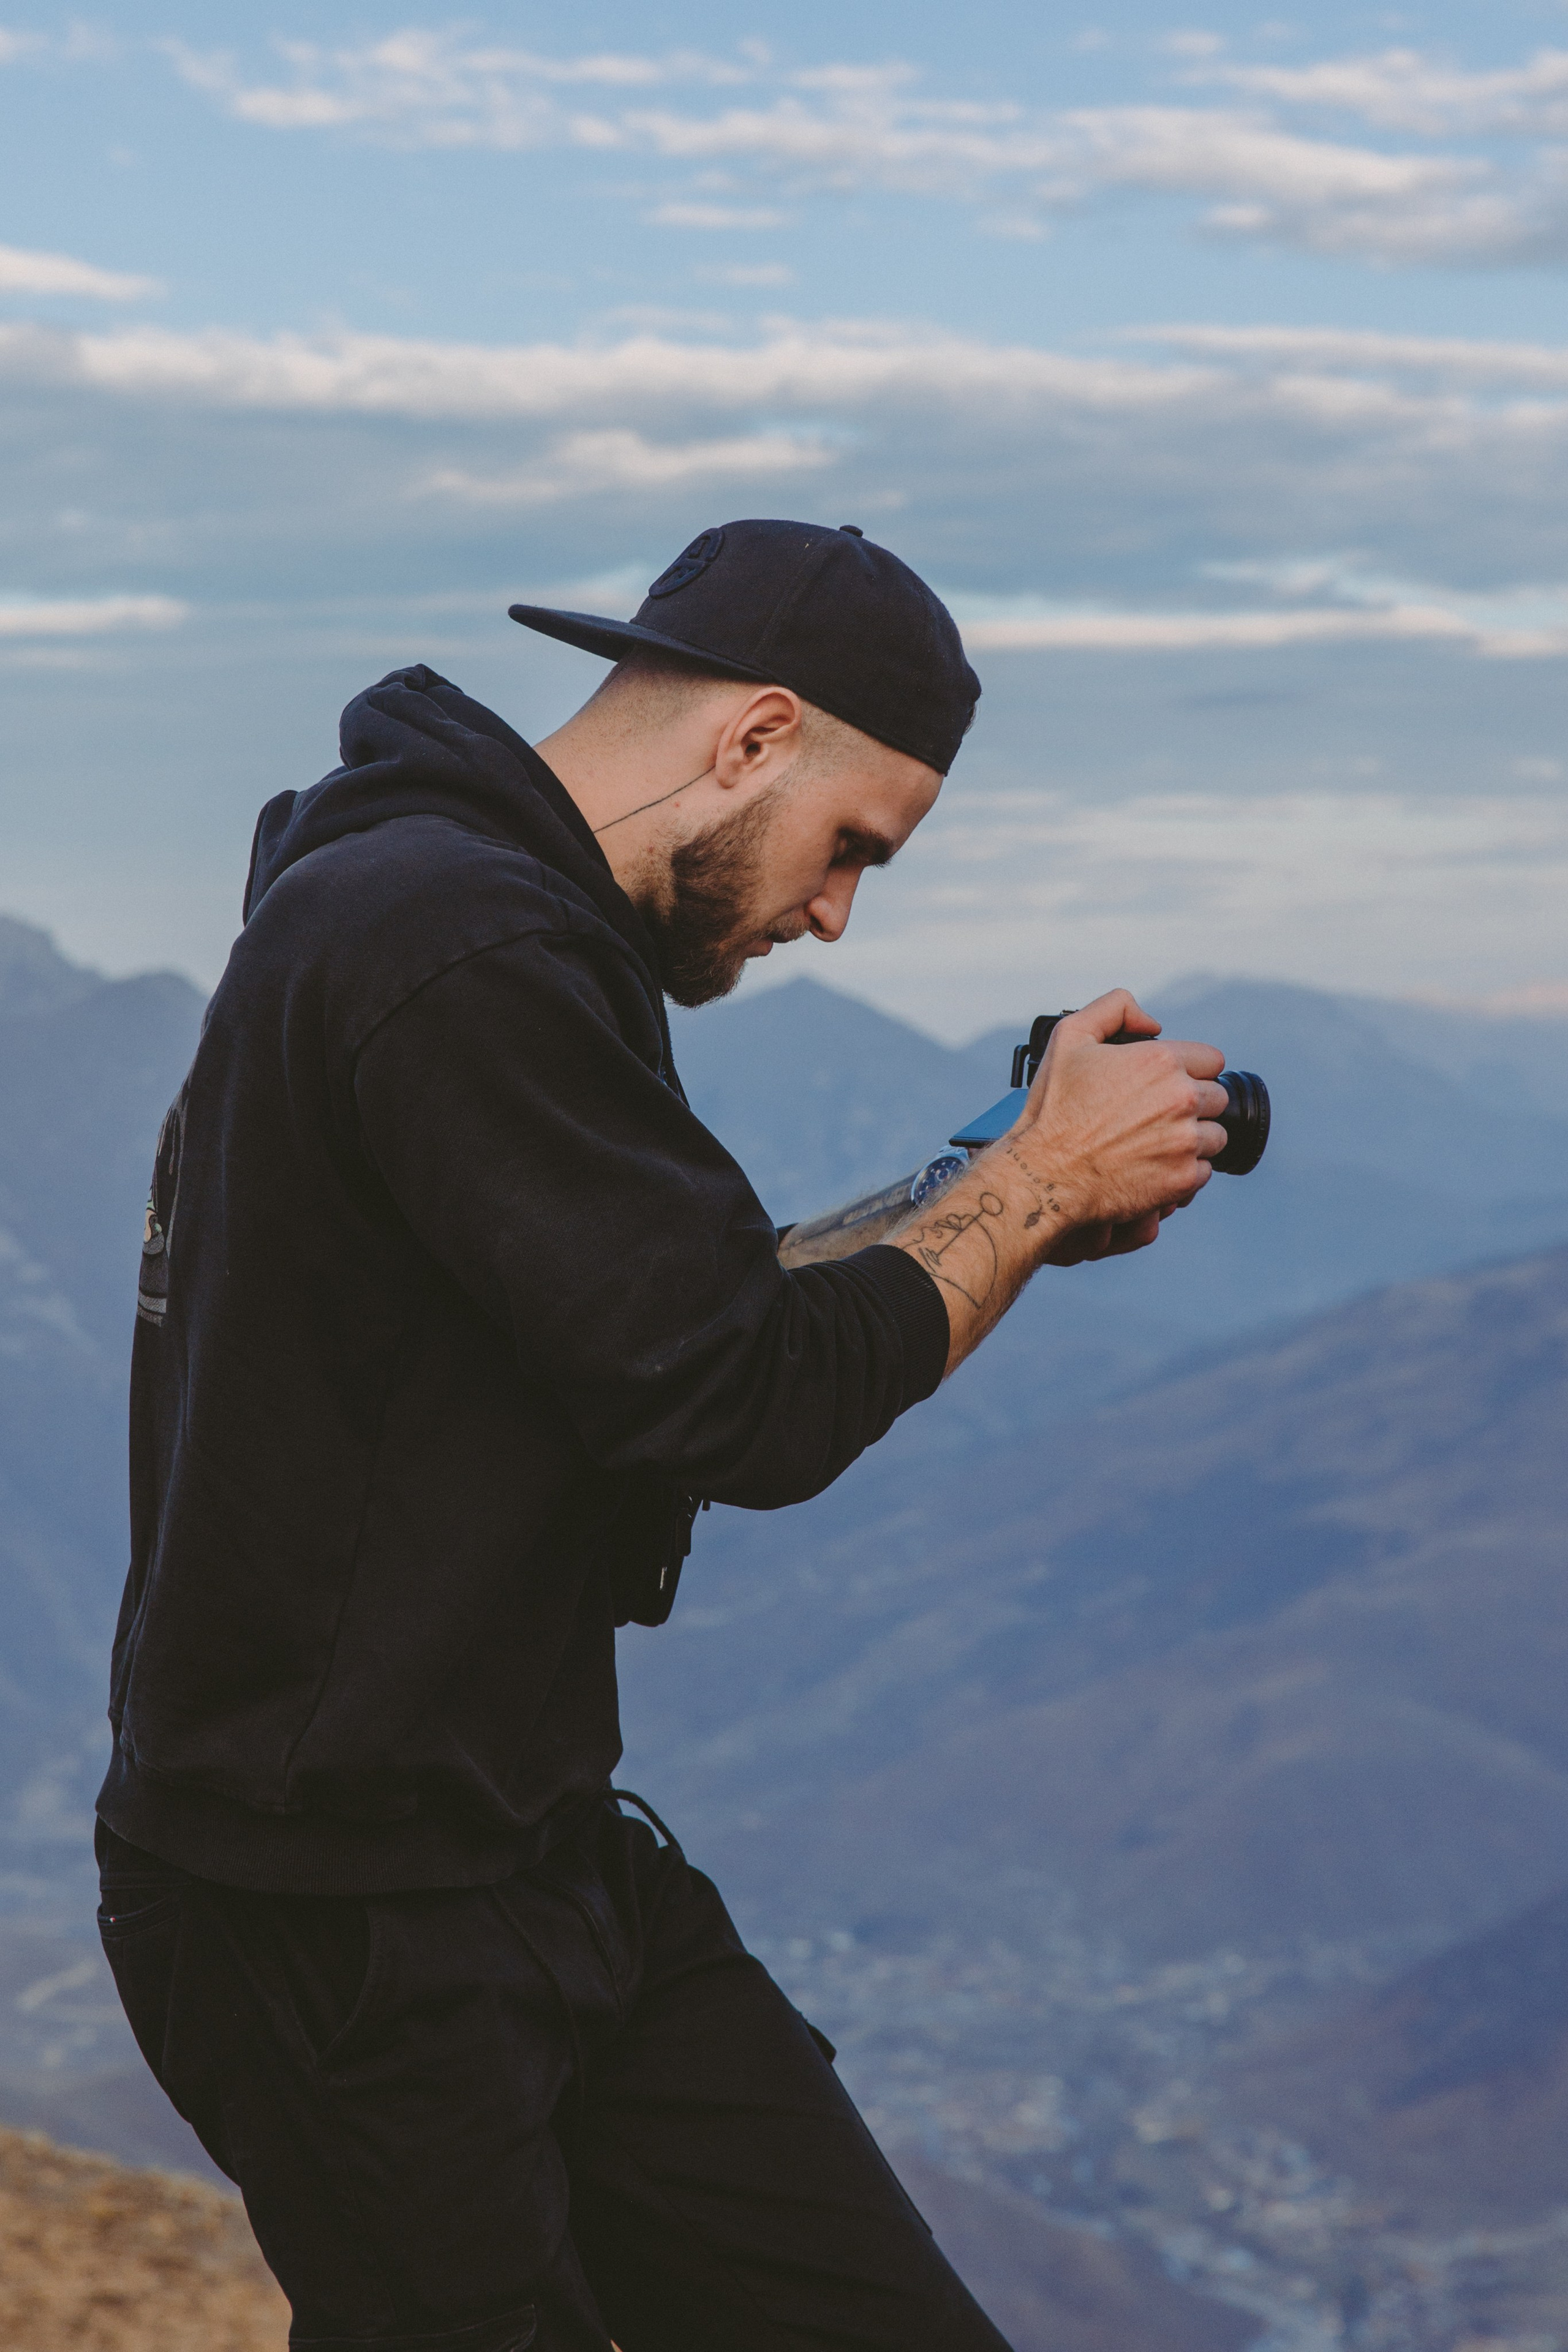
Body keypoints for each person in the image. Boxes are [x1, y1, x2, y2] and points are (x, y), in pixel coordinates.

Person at [96, 519, 1229, 2352]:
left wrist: (989, 1189)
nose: (837, 911)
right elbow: (743, 1399)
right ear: (759, 733)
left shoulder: (464, 920)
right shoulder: (452, 940)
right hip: (335, 1920)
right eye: (853, 848)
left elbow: (678, 1304)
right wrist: (1027, 1188)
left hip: (531, 1859)